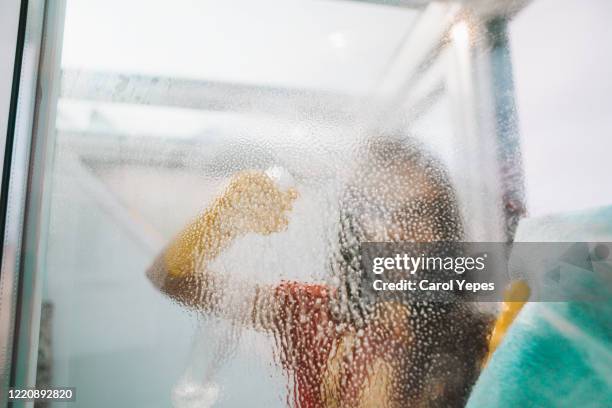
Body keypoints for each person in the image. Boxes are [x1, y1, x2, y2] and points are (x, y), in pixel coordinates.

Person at [147, 138, 493, 407]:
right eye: (379, 210)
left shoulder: (479, 335)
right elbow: (170, 277)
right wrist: (220, 222)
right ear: (354, 227)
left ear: (443, 227)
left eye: (419, 213)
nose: (398, 233)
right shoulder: (315, 313)